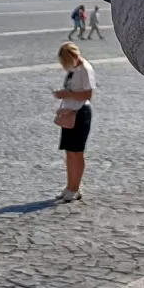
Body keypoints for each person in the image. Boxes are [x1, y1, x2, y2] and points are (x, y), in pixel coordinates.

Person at [53, 42, 95, 202]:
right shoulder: (74, 69)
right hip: (69, 112)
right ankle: (69, 186)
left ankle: (76, 188)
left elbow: (88, 94)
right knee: (69, 152)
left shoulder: (85, 69)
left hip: (80, 112)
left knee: (77, 152)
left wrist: (66, 94)